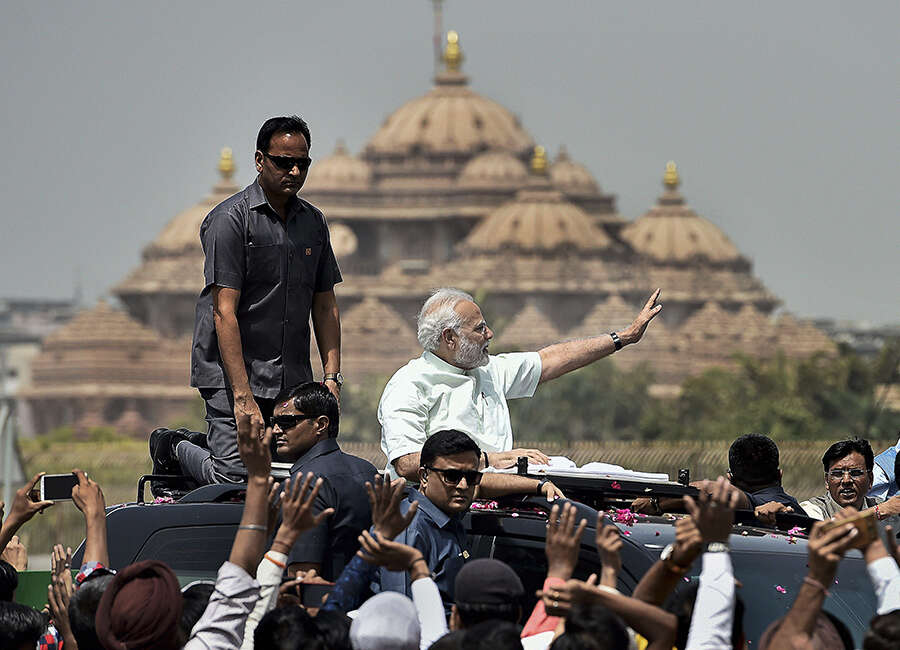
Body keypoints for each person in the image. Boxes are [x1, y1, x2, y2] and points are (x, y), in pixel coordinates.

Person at [157, 114, 343, 486]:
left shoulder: (314, 223)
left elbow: (325, 305)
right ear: (259, 160)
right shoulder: (230, 220)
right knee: (234, 478)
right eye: (283, 162)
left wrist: (332, 378)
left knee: (292, 478)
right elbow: (223, 312)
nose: (294, 171)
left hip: (291, 375)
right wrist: (242, 397)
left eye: (302, 163)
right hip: (232, 373)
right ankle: (175, 446)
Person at [378, 287, 661, 482]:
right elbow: (407, 463)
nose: (490, 333)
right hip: (434, 516)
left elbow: (551, 360)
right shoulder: (409, 385)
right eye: (479, 328)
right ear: (450, 338)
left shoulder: (488, 370)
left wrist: (623, 338)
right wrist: (489, 460)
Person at [265, 382, 377, 581]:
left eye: (287, 422)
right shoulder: (368, 470)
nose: (275, 430)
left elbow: (303, 579)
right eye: (274, 422)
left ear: (321, 424)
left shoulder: (304, 484)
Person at [800, 438, 898, 524]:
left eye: (855, 473)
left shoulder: (885, 508)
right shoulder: (811, 510)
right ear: (827, 481)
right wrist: (876, 513)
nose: (846, 480)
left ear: (870, 479)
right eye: (838, 474)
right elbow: (825, 531)